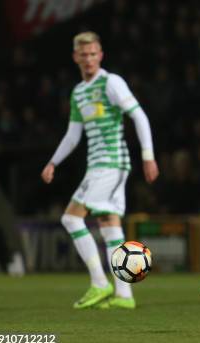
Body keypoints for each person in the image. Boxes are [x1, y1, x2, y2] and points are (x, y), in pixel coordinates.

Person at [41, 31, 159, 309]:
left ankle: (98, 282)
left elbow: (138, 115)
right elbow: (73, 135)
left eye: (94, 54)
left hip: (111, 163)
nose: (89, 59)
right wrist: (53, 162)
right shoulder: (79, 92)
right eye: (84, 55)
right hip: (100, 164)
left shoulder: (111, 82)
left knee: (70, 219)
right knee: (109, 226)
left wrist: (148, 156)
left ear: (101, 55)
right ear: (75, 58)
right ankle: (123, 295)